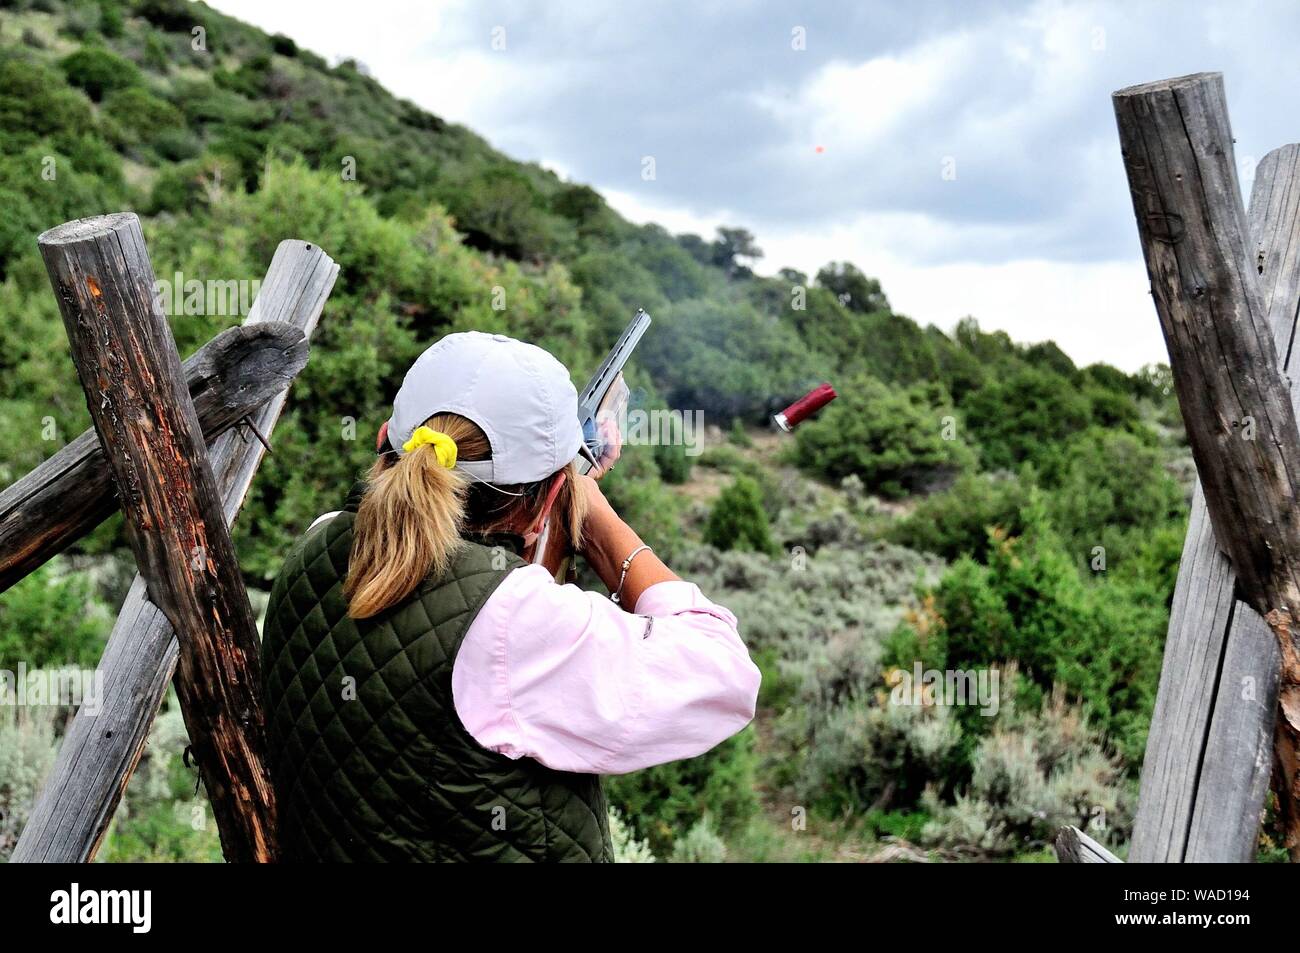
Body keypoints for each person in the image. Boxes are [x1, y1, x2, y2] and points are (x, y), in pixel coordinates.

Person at [261, 331, 761, 862]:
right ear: (546, 497)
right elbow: (726, 674)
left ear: (389, 442)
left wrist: (555, 508)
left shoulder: (317, 542)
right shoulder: (510, 618)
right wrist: (592, 513)